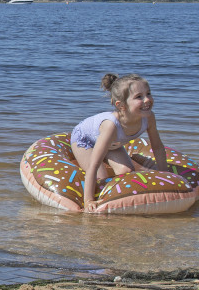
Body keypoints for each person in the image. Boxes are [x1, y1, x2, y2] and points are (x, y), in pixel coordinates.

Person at [70, 72, 170, 213]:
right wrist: (88, 201)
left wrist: (164, 174)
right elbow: (94, 164)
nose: (147, 100)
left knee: (127, 171)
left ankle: (107, 156)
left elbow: (157, 147)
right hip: (85, 140)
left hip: (112, 144)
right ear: (121, 105)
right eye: (139, 97)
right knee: (101, 177)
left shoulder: (149, 118)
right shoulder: (111, 126)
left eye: (148, 93)